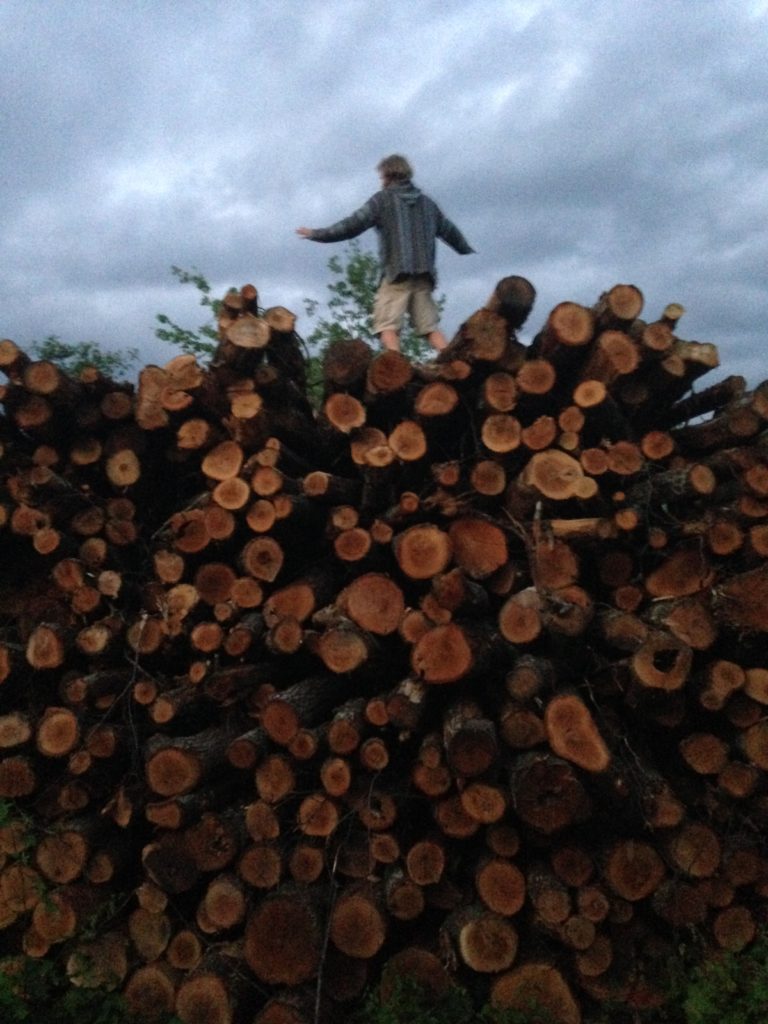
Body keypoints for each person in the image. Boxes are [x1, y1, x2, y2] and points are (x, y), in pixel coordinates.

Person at [296, 154, 474, 353]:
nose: (381, 181)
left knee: (386, 326)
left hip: (397, 274)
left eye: (382, 177)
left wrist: (316, 234)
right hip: (424, 275)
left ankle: (395, 366)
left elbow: (351, 225)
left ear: (388, 175)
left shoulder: (382, 201)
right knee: (430, 328)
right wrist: (466, 249)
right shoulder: (428, 204)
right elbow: (450, 231)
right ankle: (452, 361)